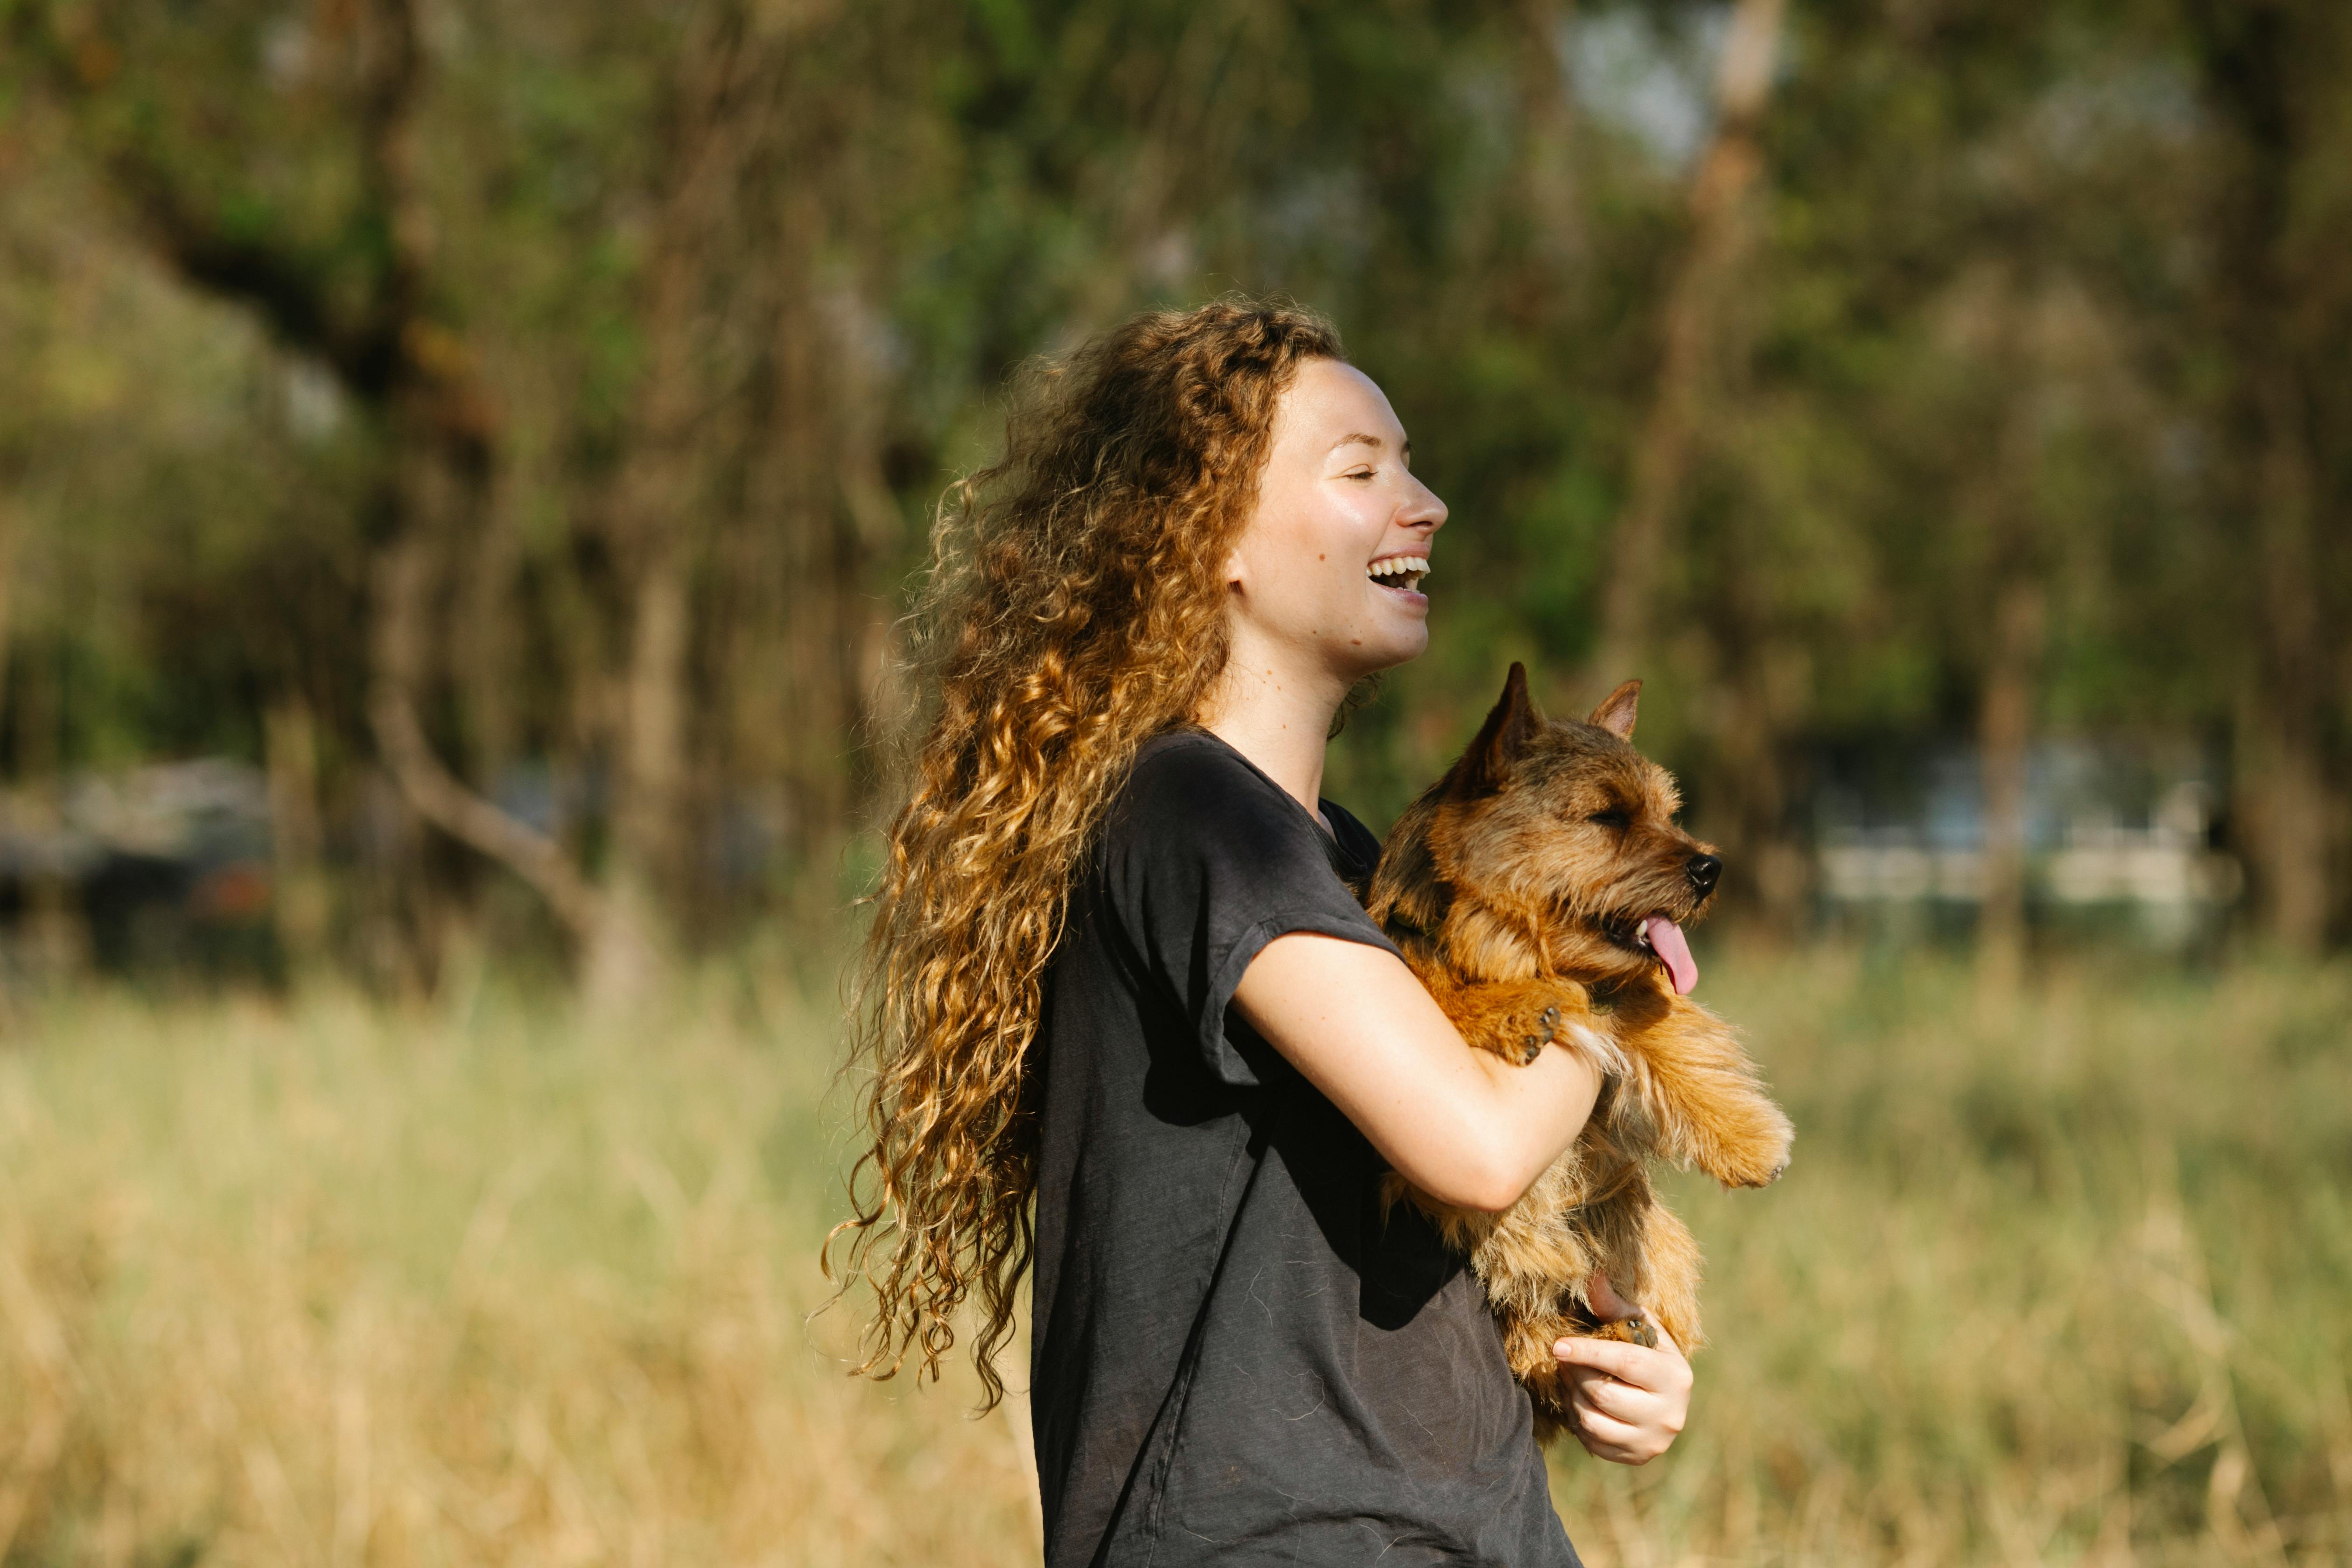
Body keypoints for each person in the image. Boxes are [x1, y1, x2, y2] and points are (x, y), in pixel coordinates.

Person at [831, 298, 1692, 1566]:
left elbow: (1414, 1251)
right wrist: (1623, 996)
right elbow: (1475, 1146)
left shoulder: (1347, 862)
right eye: (1361, 471)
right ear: (1210, 535)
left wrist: (1608, 1359)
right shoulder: (1191, 817)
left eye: (1411, 466)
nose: (1426, 504)